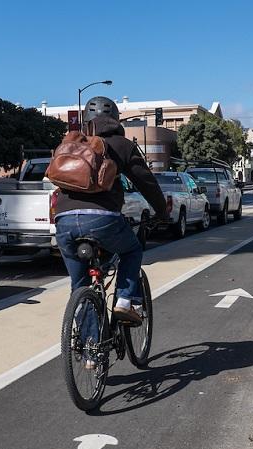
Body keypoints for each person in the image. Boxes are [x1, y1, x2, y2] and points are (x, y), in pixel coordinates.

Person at [54, 96, 169, 325]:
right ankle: (125, 302)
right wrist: (162, 211)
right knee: (132, 251)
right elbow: (145, 182)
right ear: (116, 120)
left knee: (80, 285)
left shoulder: (71, 143)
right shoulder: (122, 145)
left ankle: (90, 355)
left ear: (86, 120)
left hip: (63, 219)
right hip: (102, 219)